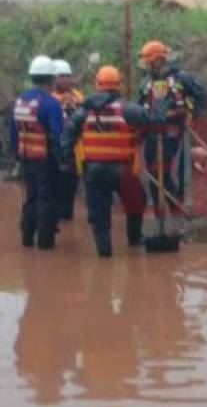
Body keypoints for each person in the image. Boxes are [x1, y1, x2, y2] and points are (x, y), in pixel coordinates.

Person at [62, 66, 156, 258]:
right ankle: (135, 240)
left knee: (99, 214)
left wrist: (65, 159)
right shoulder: (129, 110)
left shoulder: (83, 111)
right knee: (136, 202)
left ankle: (104, 253)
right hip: (123, 169)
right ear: (118, 86)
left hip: (94, 170)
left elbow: (67, 136)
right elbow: (151, 124)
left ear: (97, 84)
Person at [137, 40, 206, 208]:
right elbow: (140, 106)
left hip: (173, 131)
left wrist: (193, 115)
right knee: (153, 175)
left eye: (149, 63)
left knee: (166, 170)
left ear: (159, 60)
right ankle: (159, 213)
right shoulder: (145, 83)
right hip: (151, 133)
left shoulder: (181, 78)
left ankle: (176, 205)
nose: (147, 67)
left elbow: (201, 95)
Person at [9, 55, 64, 250]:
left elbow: (13, 131)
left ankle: (26, 238)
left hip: (26, 157)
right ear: (51, 79)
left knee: (31, 195)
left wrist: (16, 156)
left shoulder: (20, 101)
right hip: (45, 158)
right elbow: (59, 134)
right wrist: (63, 159)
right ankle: (45, 243)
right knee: (46, 198)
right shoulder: (50, 103)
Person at [51, 59, 84, 221]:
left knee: (71, 186)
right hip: (58, 147)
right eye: (60, 76)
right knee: (57, 186)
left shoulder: (77, 95)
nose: (64, 80)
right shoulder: (50, 97)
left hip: (76, 150)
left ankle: (67, 215)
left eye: (66, 76)